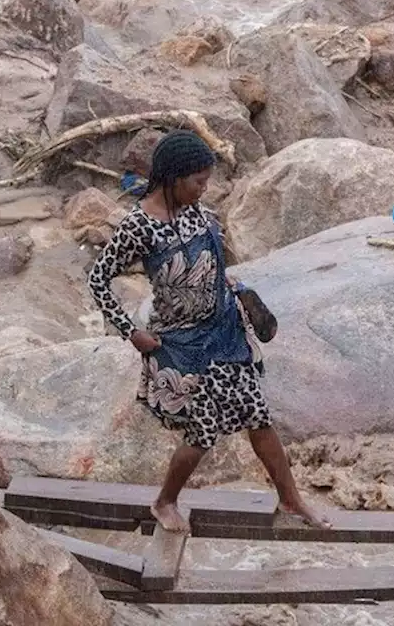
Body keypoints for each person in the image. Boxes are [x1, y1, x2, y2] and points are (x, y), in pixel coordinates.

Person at [87, 130, 331, 533]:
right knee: (201, 434)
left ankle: (291, 498)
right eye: (198, 181)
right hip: (184, 346)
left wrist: (238, 293)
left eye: (206, 181)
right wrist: (132, 332)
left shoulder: (199, 213)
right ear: (174, 177)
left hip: (225, 333)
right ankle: (164, 502)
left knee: (260, 418)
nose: (204, 189)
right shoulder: (139, 227)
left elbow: (214, 265)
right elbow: (98, 280)